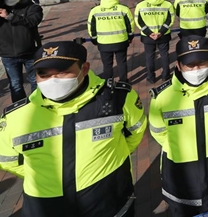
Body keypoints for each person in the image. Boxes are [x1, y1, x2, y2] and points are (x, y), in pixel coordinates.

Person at [0, 41, 146, 216]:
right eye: (43, 75)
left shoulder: (119, 98)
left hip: (109, 200)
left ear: (84, 69)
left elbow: (135, 132)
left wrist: (110, 162)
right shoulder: (16, 116)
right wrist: (42, 175)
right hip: (46, 206)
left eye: (62, 72)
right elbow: (8, 160)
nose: (52, 81)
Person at [149, 36, 208, 216]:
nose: (197, 69)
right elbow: (159, 132)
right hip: (182, 178)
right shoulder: (162, 97)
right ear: (178, 65)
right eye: (190, 65)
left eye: (202, 63)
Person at [0, 0, 43, 102]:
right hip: (8, 54)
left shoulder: (32, 8)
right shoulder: (2, 9)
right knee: (15, 84)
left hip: (30, 51)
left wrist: (10, 16)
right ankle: (19, 108)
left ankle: (37, 104)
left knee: (35, 81)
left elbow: (32, 21)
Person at [87, 0, 134, 81]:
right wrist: (130, 37)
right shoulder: (123, 9)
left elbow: (91, 27)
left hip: (103, 43)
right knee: (122, 62)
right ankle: (123, 82)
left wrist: (94, 39)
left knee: (107, 65)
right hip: (121, 41)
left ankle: (108, 83)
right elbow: (130, 25)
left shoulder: (95, 10)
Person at [135, 0, 174, 83]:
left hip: (148, 37)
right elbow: (170, 19)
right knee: (164, 55)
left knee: (149, 57)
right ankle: (166, 76)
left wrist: (149, 33)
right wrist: (161, 32)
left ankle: (151, 78)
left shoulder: (140, 5)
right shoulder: (167, 4)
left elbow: (138, 21)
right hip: (163, 35)